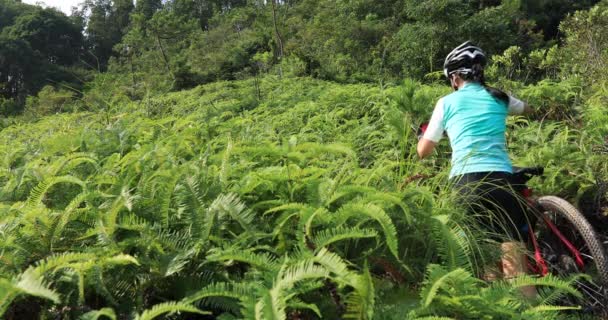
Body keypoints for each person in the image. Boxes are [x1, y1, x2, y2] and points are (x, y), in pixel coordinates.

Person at [417, 41, 535, 295]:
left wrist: (421, 136)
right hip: (503, 180)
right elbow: (528, 109)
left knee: (484, 261)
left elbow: (423, 152)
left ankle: (496, 306)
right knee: (514, 262)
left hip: (466, 183)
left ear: (455, 76)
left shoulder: (446, 103)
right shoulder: (500, 97)